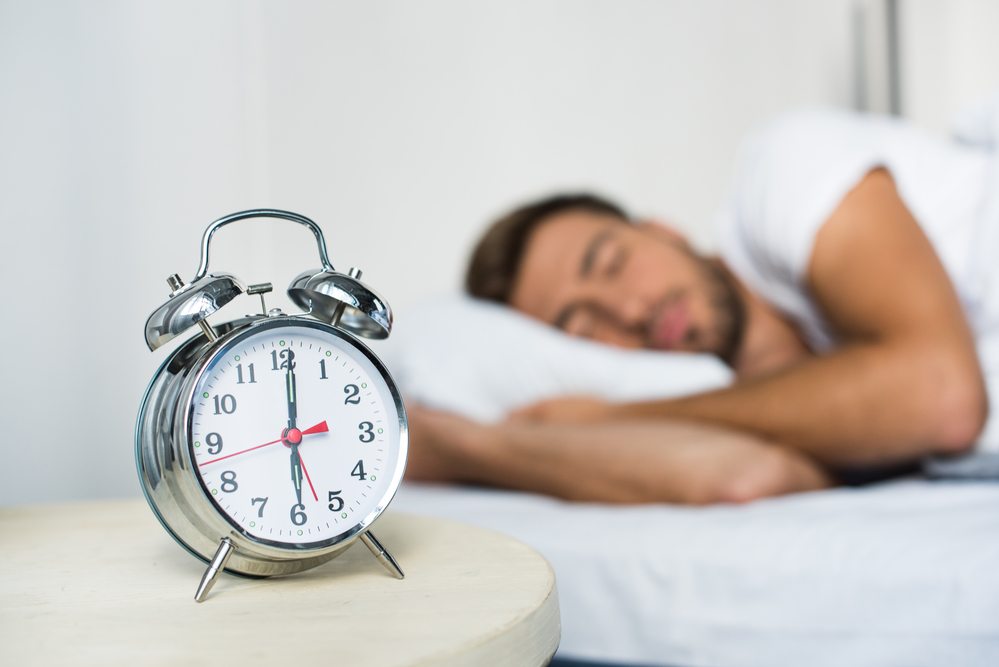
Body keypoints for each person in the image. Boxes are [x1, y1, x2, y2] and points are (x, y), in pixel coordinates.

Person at [406, 108, 999, 504]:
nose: (629, 311)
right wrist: (478, 448)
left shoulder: (782, 171)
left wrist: (604, 421)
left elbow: (942, 396)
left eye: (611, 262)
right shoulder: (761, 406)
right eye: (582, 327)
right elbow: (746, 478)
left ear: (663, 230)